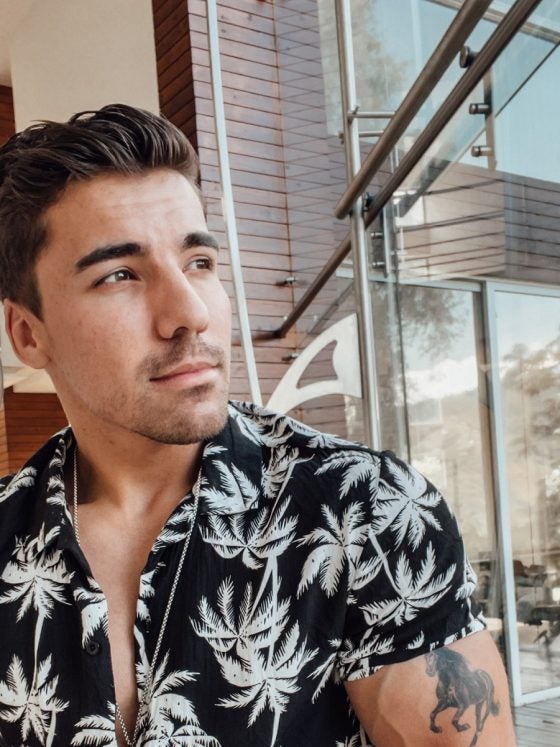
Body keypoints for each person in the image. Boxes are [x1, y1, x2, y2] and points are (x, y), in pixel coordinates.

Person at [0, 104, 516, 747]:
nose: (189, 313)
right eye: (119, 276)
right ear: (29, 333)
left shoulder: (368, 510)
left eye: (199, 262)